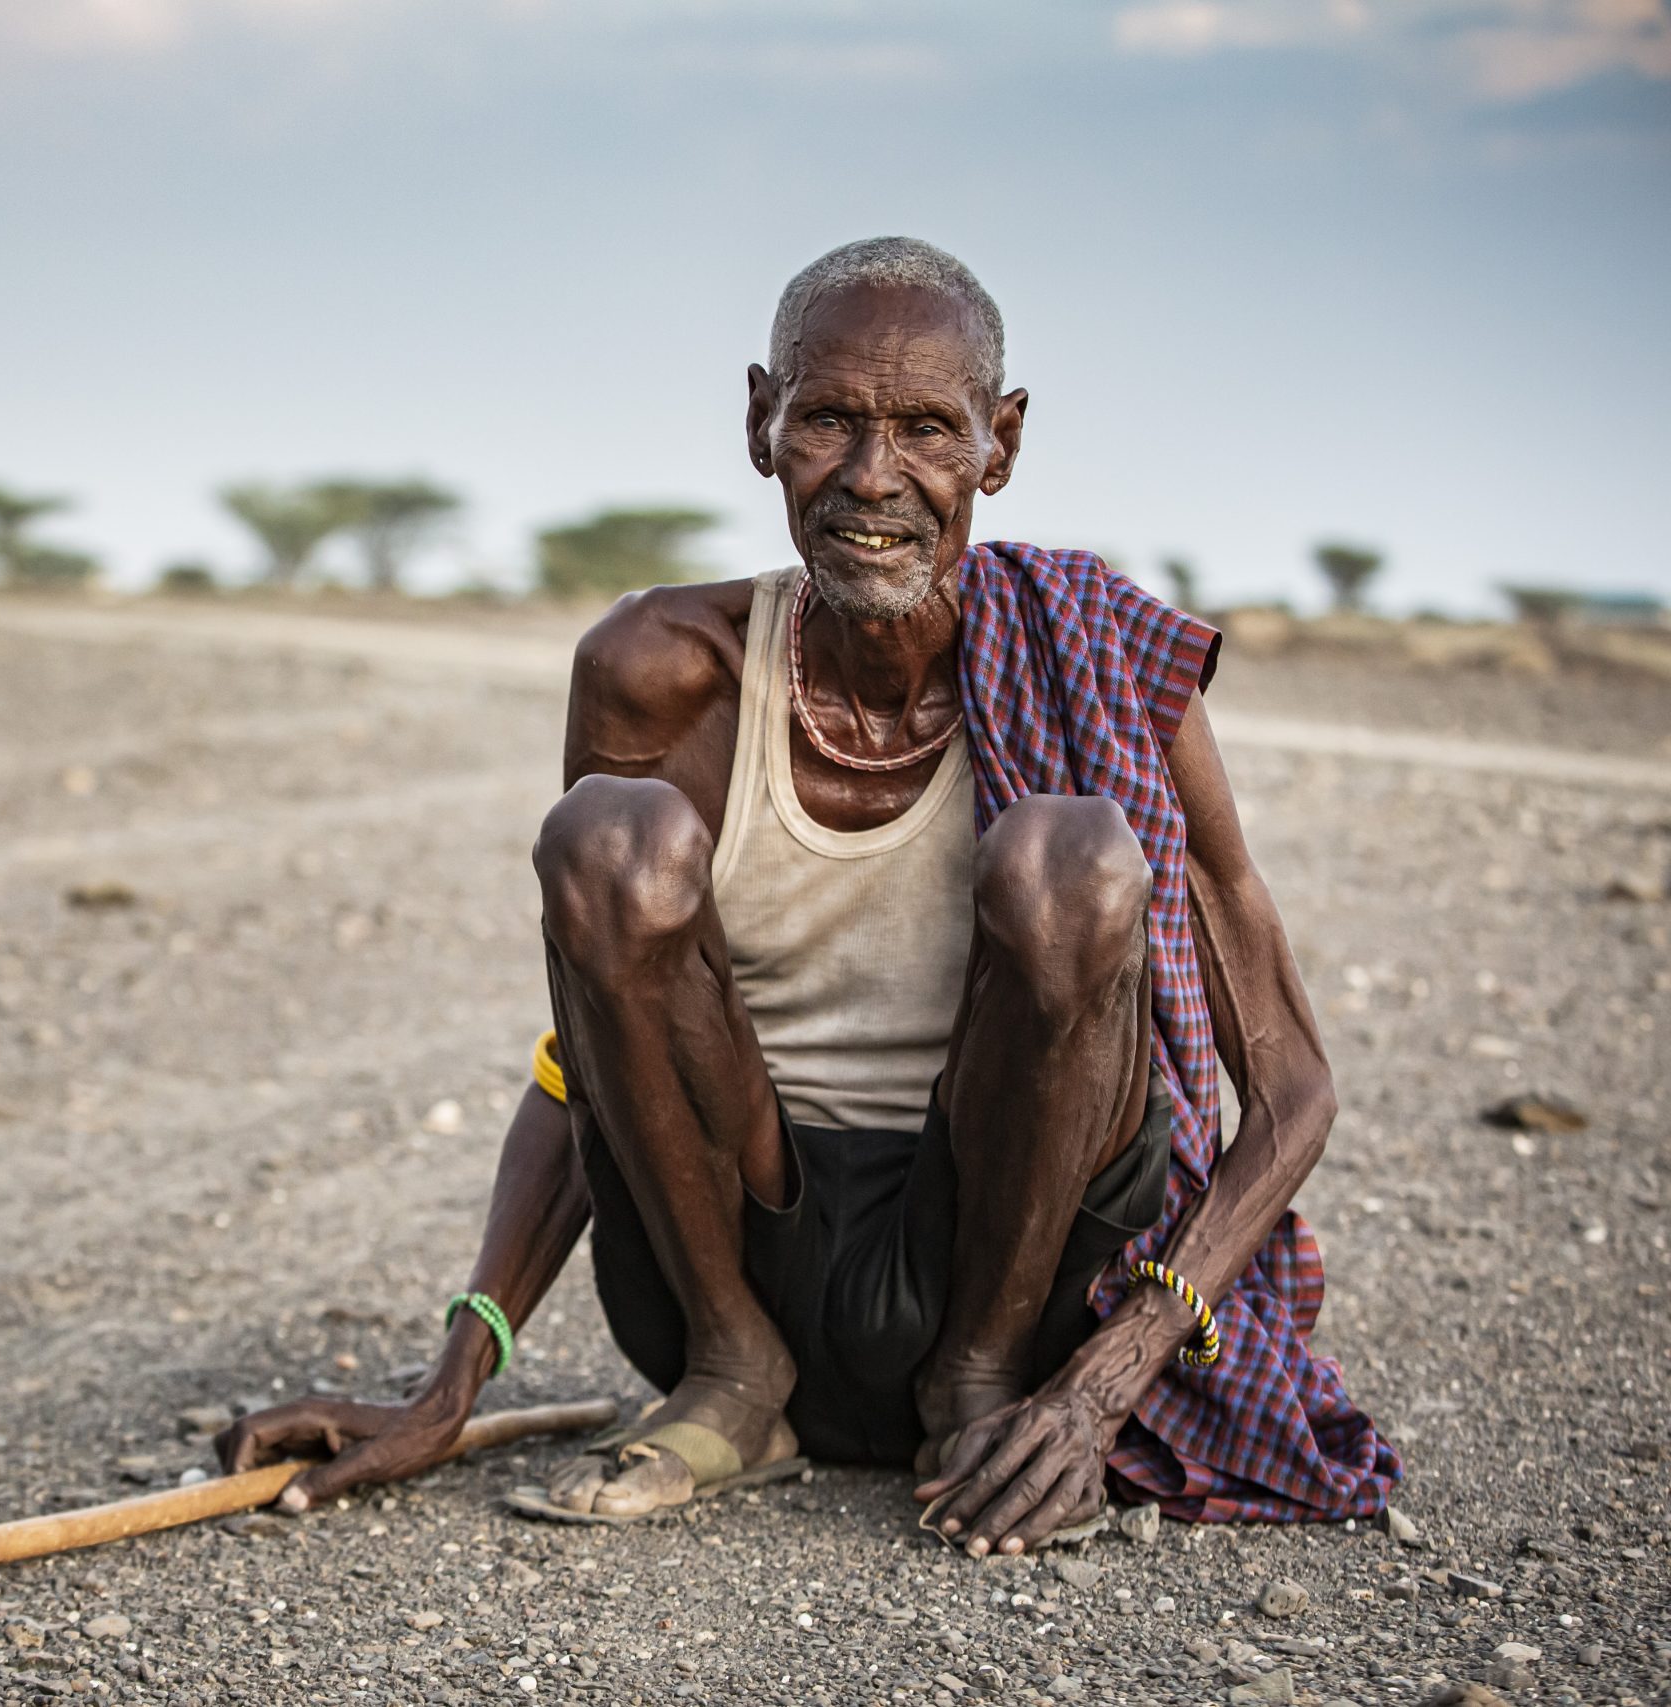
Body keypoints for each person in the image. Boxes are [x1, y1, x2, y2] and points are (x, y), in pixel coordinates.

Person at [221, 237, 1397, 1554]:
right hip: (733, 1272)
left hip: (1022, 1294)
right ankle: (736, 1382)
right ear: (759, 425)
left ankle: (979, 1385)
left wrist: (1096, 1390)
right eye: (829, 416)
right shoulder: (665, 668)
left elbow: (1293, 1088)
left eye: (928, 429)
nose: (874, 475)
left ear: (999, 447)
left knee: (1067, 856)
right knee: (607, 837)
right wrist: (451, 1380)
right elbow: (590, 1048)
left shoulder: (1115, 662)